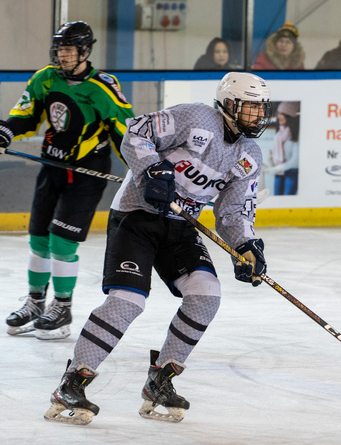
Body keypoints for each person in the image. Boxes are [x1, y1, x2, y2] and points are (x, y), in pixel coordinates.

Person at [44, 72, 273, 425]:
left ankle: (160, 380)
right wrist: (152, 170)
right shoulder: (196, 118)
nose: (258, 116)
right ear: (229, 104)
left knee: (206, 294)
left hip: (181, 226)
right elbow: (136, 132)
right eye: (250, 108)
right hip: (137, 215)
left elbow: (233, 209)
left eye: (261, 109)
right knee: (128, 301)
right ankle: (72, 382)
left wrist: (244, 245)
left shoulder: (250, 154)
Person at [0, 21, 134, 340]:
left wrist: (141, 168)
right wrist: (4, 130)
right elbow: (27, 115)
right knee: (38, 240)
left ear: (85, 51)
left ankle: (62, 308)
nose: (62, 56)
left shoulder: (102, 87)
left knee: (62, 242)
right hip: (52, 167)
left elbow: (124, 132)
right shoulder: (45, 79)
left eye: (69, 50)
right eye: (59, 49)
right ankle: (35, 302)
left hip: (86, 174)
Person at [264, 102, 299, 195]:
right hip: (279, 173)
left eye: (281, 114)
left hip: (291, 173)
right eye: (278, 113)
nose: (278, 116)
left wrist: (277, 168)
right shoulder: (278, 134)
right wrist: (270, 158)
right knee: (277, 198)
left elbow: (295, 161)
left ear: (289, 116)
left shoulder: (294, 135)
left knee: (288, 201)